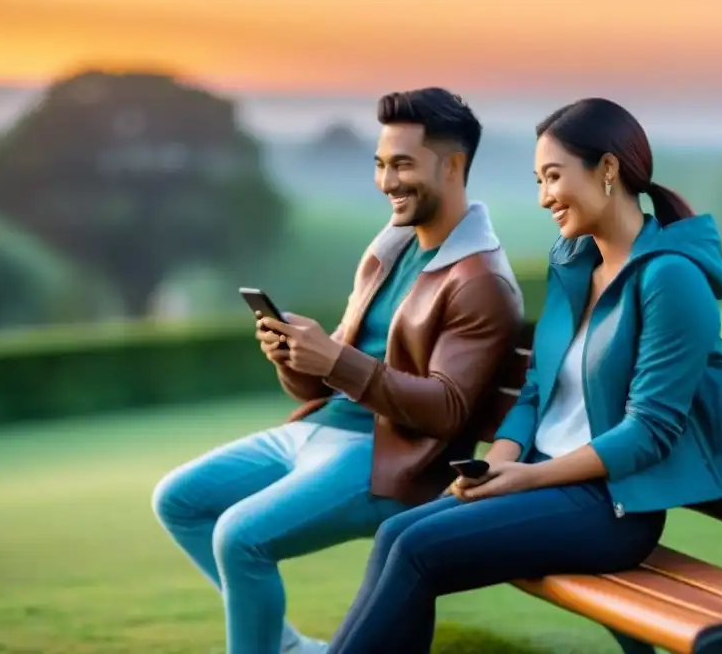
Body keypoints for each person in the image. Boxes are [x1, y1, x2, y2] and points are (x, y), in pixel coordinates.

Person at [326, 97, 722, 654]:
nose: (544, 196)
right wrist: (498, 464)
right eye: (538, 179)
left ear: (608, 170)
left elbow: (650, 431)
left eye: (553, 176)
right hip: (542, 481)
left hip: (609, 508)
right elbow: (537, 391)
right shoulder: (575, 265)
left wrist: (527, 479)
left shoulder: (671, 280)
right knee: (397, 534)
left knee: (417, 549)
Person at [151, 87, 524, 654]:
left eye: (402, 164)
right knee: (179, 499)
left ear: (452, 167)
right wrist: (296, 360)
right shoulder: (390, 248)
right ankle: (288, 647)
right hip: (324, 426)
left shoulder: (480, 282)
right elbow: (333, 375)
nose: (387, 181)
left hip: (389, 459)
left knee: (239, 537)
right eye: (380, 164)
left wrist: (337, 361)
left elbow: (447, 411)